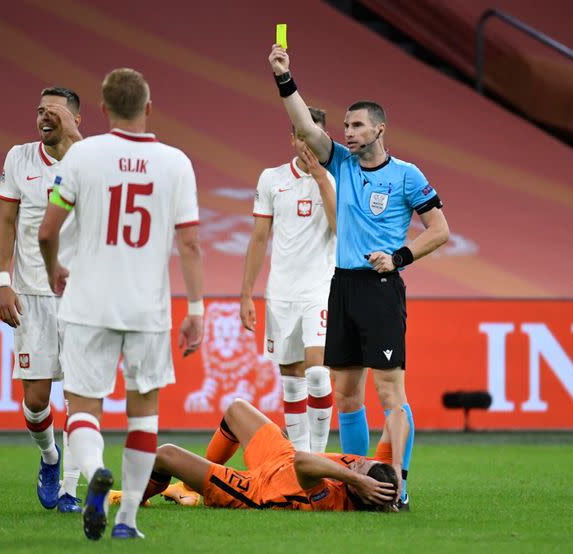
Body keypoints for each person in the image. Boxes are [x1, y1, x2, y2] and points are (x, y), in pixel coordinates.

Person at [267, 44, 451, 510]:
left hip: (381, 289)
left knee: (391, 393)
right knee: (348, 396)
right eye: (345, 126)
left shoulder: (407, 176)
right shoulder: (341, 165)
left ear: (379, 129)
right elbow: (307, 126)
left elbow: (441, 230)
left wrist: (400, 257)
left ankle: (398, 486)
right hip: (343, 286)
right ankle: (356, 482)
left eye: (356, 125)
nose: (347, 133)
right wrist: (284, 78)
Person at [38, 67, 204, 540]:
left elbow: (47, 230)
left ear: (105, 109)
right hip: (147, 309)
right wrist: (196, 309)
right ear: (149, 108)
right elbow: (190, 245)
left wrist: (54, 268)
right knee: (144, 414)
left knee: (84, 406)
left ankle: (94, 478)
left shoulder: (83, 156)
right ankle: (128, 520)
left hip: (88, 301)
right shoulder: (176, 162)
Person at [0, 86, 84, 513]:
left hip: (81, 296)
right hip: (31, 293)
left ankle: (69, 488)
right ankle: (50, 457)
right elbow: (7, 221)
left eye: (55, 112)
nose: (44, 118)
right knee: (36, 402)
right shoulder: (19, 157)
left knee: (82, 395)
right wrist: (1, 281)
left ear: (75, 120)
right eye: (40, 111)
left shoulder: (91, 160)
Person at [239, 107, 336, 454]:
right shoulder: (271, 178)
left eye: (314, 136)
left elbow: (342, 229)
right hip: (281, 294)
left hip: (320, 290)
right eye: (301, 135)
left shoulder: (337, 178)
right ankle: (300, 459)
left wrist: (321, 177)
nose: (307, 143)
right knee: (292, 380)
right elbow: (259, 238)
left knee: (317, 373)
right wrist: (246, 294)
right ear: (292, 137)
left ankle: (318, 457)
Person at [140, 398, 402, 512]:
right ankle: (187, 488)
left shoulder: (330, 500)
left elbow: (303, 461)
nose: (360, 462)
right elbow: (399, 417)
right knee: (236, 410)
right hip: (280, 458)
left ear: (359, 490)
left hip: (257, 489)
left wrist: (356, 478)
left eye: (361, 469)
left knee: (165, 455)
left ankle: (134, 499)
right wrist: (399, 470)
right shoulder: (371, 472)